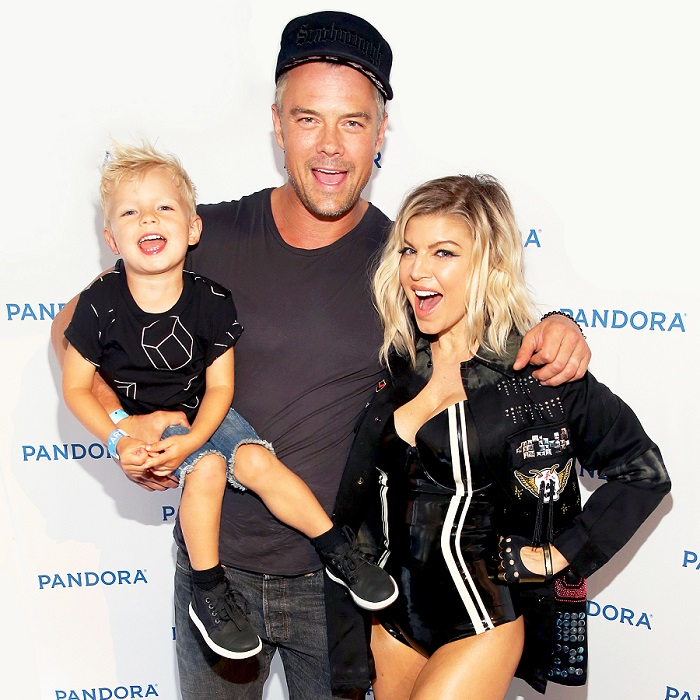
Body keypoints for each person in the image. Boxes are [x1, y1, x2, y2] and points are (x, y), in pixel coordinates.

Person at [51, 11, 593, 699]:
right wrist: (127, 430)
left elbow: (490, 319)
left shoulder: (407, 260)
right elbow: (70, 328)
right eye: (308, 119)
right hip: (216, 574)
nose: (330, 146)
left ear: (381, 133)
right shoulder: (199, 236)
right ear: (278, 126)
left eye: (353, 122)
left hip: (343, 581)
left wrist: (560, 324)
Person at [331, 174, 671, 699]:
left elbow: (643, 472)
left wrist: (554, 555)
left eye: (444, 252)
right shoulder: (396, 360)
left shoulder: (538, 374)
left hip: (480, 621)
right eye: (409, 250)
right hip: (389, 613)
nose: (418, 270)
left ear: (491, 264)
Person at [61, 142, 397, 662]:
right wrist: (120, 435)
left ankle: (338, 552)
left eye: (164, 207)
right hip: (153, 427)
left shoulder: (212, 299)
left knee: (258, 462)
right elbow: (76, 387)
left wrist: (196, 435)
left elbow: (220, 389)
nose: (148, 219)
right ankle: (208, 588)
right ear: (111, 238)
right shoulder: (102, 305)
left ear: (193, 229)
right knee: (209, 470)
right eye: (130, 212)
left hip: (209, 415)